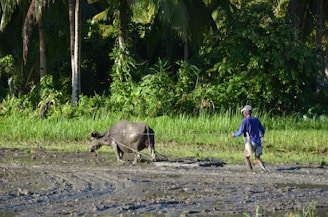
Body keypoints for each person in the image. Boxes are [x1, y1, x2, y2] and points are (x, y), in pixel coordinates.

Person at [232, 105, 267, 171]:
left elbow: (240, 131)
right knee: (257, 158)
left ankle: (250, 170)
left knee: (246, 157)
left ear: (245, 112)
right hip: (258, 142)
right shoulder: (256, 120)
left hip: (250, 142)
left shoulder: (245, 121)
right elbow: (262, 130)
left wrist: (234, 134)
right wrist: (261, 135)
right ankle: (264, 169)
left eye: (243, 112)